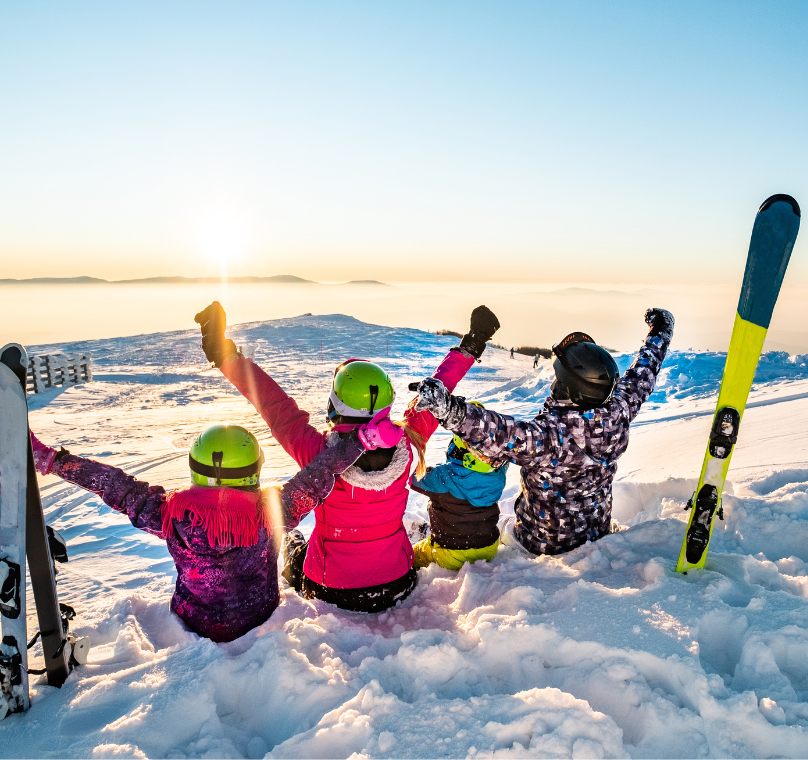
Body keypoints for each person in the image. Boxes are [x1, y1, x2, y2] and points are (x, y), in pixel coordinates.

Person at [193, 302, 500, 612]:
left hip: (331, 588)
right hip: (397, 582)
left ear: (335, 404)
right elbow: (437, 392)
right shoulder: (408, 443)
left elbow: (273, 404)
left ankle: (293, 555)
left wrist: (225, 356)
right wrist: (471, 344)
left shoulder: (317, 454)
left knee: (295, 548)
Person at [28, 422, 383, 642]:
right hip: (259, 615)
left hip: (194, 622)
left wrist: (55, 461)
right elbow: (318, 476)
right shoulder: (272, 512)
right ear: (254, 470)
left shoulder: (169, 513)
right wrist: (360, 440)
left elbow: (116, 485)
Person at [411, 308, 674, 556]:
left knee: (497, 532)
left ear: (568, 389)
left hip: (539, 544)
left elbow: (497, 433)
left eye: (558, 378)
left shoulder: (550, 437)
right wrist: (660, 333)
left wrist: (448, 409)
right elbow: (642, 374)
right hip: (596, 532)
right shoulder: (618, 411)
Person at [409, 402, 508, 570]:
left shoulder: (443, 478)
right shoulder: (498, 473)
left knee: (413, 555)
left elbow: (412, 477)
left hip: (451, 553)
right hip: (489, 547)